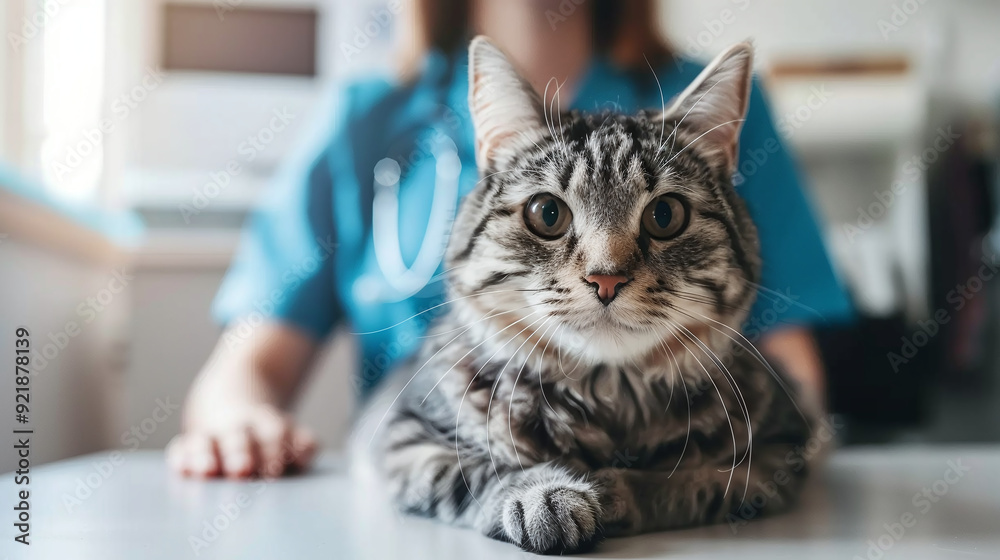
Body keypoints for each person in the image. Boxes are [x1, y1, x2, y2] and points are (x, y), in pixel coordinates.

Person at [166, 0, 852, 478]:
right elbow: (245, 369)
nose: (605, 267)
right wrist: (240, 423)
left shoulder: (709, 101)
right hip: (437, 503)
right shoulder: (366, 117)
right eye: (549, 218)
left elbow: (795, 378)